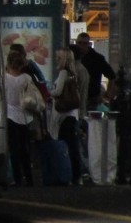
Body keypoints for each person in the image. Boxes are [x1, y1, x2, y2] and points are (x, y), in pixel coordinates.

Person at [49, 47, 84, 185]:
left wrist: (49, 91)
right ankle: (76, 175)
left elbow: (57, 92)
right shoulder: (73, 73)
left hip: (64, 115)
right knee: (73, 146)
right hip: (72, 114)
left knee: (67, 146)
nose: (56, 59)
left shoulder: (63, 73)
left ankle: (70, 175)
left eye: (58, 57)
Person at [3, 47, 37, 187]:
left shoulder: (4, 78)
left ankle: (17, 179)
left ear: (9, 63)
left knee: (13, 149)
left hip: (9, 116)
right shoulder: (26, 78)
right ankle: (29, 178)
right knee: (24, 149)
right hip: (24, 116)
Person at [73, 32, 117, 109]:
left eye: (85, 43)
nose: (81, 46)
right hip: (75, 97)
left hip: (92, 98)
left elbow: (112, 76)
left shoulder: (97, 59)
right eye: (79, 43)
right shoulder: (72, 58)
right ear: (76, 43)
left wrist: (107, 95)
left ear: (88, 44)